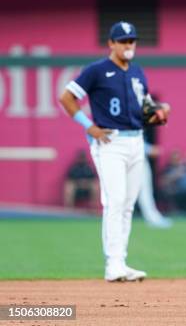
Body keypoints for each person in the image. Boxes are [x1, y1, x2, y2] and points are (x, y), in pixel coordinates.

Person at [59, 21, 170, 282]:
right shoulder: (97, 70)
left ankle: (121, 261)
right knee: (115, 201)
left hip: (135, 141)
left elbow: (144, 111)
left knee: (128, 204)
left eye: (131, 40)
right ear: (111, 43)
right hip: (110, 142)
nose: (128, 44)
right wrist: (89, 127)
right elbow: (66, 97)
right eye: (122, 40)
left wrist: (158, 114)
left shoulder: (137, 72)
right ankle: (113, 264)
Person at [137, 141, 173, 228]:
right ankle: (152, 218)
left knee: (145, 193)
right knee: (144, 193)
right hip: (135, 159)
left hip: (138, 159)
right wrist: (149, 149)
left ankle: (153, 218)